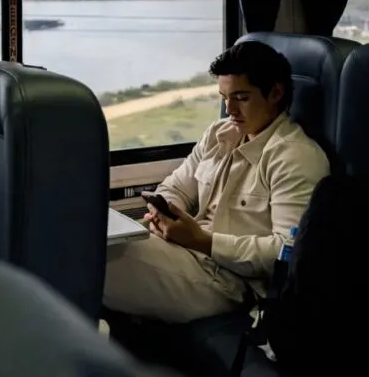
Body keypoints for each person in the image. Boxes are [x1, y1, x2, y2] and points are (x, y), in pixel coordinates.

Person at [103, 40, 330, 324]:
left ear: (275, 93)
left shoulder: (296, 156)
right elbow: (175, 187)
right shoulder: (219, 134)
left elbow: (287, 252)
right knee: (90, 238)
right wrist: (165, 215)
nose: (229, 109)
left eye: (241, 98)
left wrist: (204, 241)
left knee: (93, 256)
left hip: (229, 280)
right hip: (187, 253)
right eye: (224, 97)